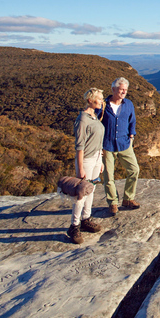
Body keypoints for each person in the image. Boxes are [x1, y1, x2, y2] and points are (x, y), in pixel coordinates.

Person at [68, 88, 105, 244]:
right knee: (81, 193)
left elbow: (97, 140)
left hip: (96, 158)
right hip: (87, 160)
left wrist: (100, 159)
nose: (102, 101)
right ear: (90, 100)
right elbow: (80, 145)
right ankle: (74, 226)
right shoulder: (83, 119)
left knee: (91, 190)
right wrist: (81, 167)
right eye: (99, 98)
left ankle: (86, 219)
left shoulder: (94, 117)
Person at [99, 77, 140, 215]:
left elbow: (132, 121)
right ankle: (113, 203)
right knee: (108, 176)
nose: (124, 92)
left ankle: (128, 199)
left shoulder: (128, 104)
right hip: (107, 145)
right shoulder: (103, 105)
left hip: (124, 144)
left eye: (126, 90)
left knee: (134, 170)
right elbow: (96, 124)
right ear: (113, 89)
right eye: (121, 89)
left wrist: (131, 136)